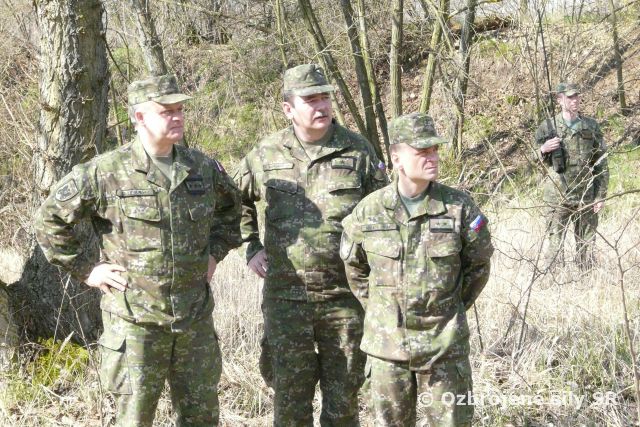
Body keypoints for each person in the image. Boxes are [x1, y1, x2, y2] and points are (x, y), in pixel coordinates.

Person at [34, 75, 241, 426]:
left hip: (193, 320)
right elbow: (48, 219)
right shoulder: (105, 172)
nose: (177, 117)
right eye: (166, 111)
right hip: (135, 324)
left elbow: (232, 210)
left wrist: (215, 253)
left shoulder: (201, 168)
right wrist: (87, 269)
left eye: (180, 110)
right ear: (140, 117)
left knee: (202, 417)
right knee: (134, 419)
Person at [234, 63, 387, 426]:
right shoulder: (267, 153)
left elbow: (384, 213)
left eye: (325, 97)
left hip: (345, 299)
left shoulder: (358, 151)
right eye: (311, 100)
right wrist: (250, 246)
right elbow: (233, 199)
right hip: (287, 300)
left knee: (344, 405)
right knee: (290, 404)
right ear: (288, 108)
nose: (322, 106)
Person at [340, 113, 493, 426]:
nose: (432, 157)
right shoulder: (370, 210)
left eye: (434, 149)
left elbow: (478, 266)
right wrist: (382, 310)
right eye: (422, 151)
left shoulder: (459, 208)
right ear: (396, 158)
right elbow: (354, 267)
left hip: (443, 348)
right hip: (387, 349)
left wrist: (447, 307)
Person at [535, 82, 609, 271]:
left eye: (577, 96)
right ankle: (553, 279)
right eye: (570, 97)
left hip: (585, 195)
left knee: (587, 244)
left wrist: (600, 195)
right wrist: (543, 149)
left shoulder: (590, 126)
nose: (575, 100)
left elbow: (601, 162)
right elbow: (532, 159)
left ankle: (587, 279)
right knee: (555, 245)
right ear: (559, 100)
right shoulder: (547, 127)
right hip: (557, 196)